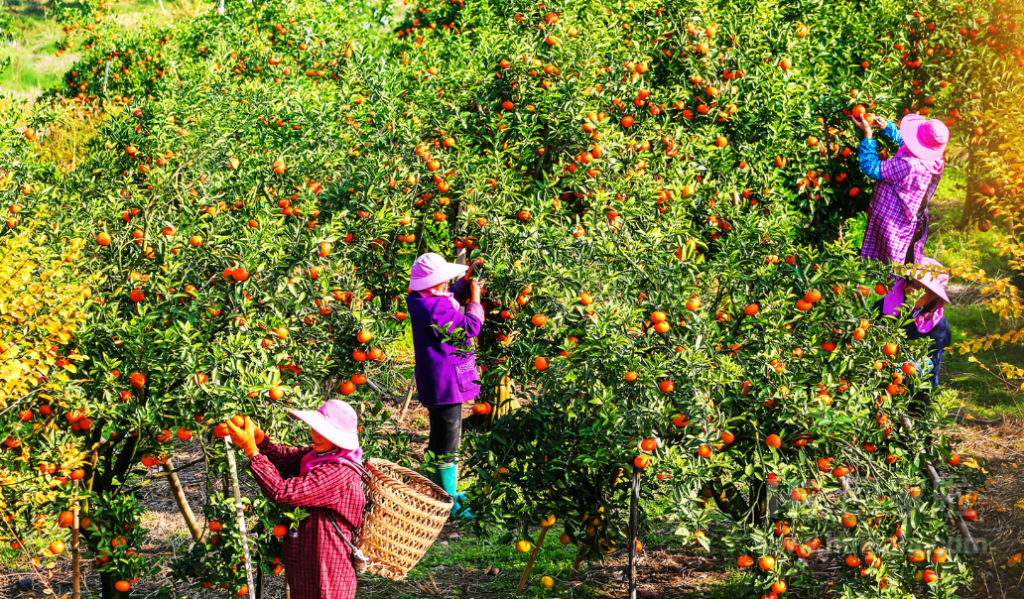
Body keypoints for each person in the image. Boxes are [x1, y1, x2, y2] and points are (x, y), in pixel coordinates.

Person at [226, 400, 366, 599]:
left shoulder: (339, 472)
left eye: (324, 431)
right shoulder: (320, 454)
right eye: (315, 427)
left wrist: (252, 450)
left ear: (339, 439)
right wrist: (260, 440)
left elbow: (282, 492)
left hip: (327, 564)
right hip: (307, 556)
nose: (315, 434)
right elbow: (284, 458)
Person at [406, 252, 484, 517]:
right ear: (433, 284)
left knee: (439, 440)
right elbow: (469, 327)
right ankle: (450, 503)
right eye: (442, 281)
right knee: (449, 443)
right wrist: (475, 298)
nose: (446, 284)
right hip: (447, 387)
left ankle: (435, 492)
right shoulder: (435, 307)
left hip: (434, 383)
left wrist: (464, 283)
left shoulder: (419, 300)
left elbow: (446, 296)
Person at [853, 112, 948, 266]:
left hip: (893, 221)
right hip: (912, 220)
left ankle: (892, 288)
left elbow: (871, 167)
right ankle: (903, 286)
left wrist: (868, 136)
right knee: (904, 262)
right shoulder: (935, 158)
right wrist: (885, 127)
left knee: (890, 267)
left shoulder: (908, 164)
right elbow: (906, 142)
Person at [876, 257, 952, 417]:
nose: (910, 289)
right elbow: (864, 325)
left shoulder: (938, 326)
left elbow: (928, 365)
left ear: (933, 295)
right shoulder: (885, 306)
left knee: (907, 433)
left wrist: (892, 366)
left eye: (920, 288)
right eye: (910, 283)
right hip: (877, 384)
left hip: (914, 393)